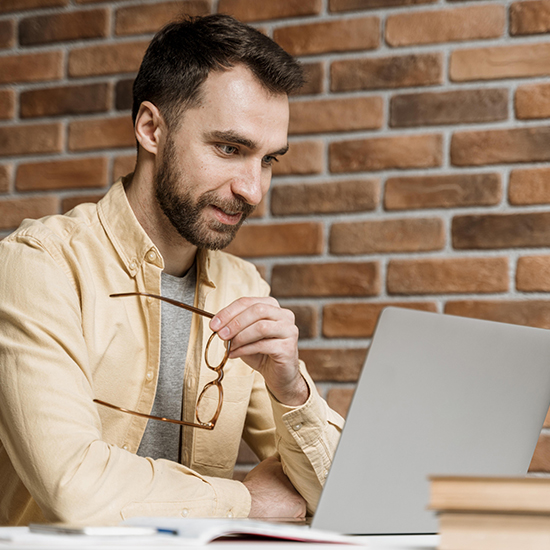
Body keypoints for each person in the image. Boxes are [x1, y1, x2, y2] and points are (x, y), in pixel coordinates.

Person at [0, 14, 343, 526]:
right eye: (230, 148)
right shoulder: (40, 265)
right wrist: (246, 503)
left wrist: (292, 392)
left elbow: (340, 491)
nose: (252, 189)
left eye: (269, 160)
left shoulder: (242, 287)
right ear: (151, 129)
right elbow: (74, 488)